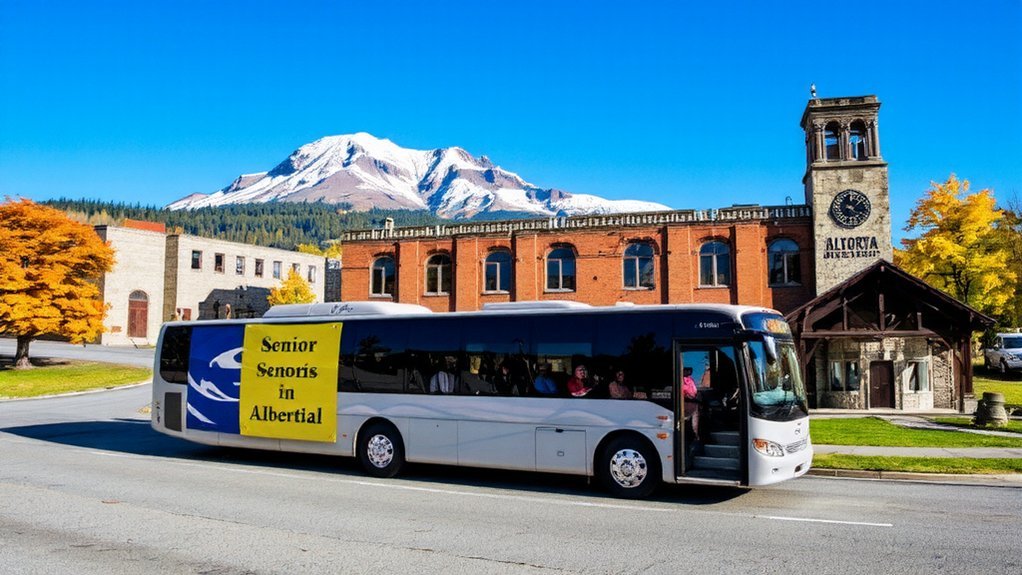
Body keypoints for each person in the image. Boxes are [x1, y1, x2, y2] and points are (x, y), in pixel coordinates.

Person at [682, 367, 702, 442]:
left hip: (693, 404)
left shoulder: (690, 379)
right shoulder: (679, 379)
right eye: (687, 370)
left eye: (690, 370)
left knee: (695, 424)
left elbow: (694, 390)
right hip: (685, 404)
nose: (689, 372)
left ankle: (696, 437)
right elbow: (683, 390)